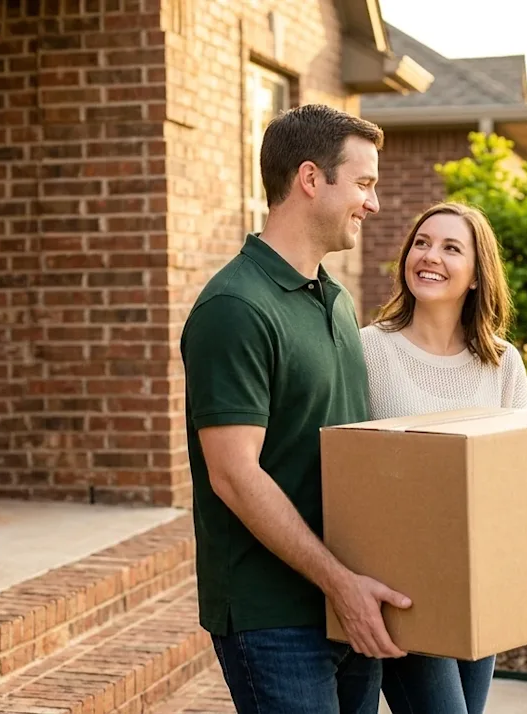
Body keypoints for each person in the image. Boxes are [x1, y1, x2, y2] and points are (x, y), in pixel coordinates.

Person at [179, 104, 408, 714]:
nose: (374, 203)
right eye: (363, 183)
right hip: (274, 617)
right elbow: (234, 474)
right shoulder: (235, 307)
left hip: (347, 602)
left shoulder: (333, 301)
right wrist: (340, 583)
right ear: (311, 179)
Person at [360, 201, 527, 714]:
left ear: (478, 275)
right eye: (422, 242)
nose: (430, 256)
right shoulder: (368, 350)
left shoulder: (501, 361)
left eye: (451, 248)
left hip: (483, 583)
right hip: (407, 589)